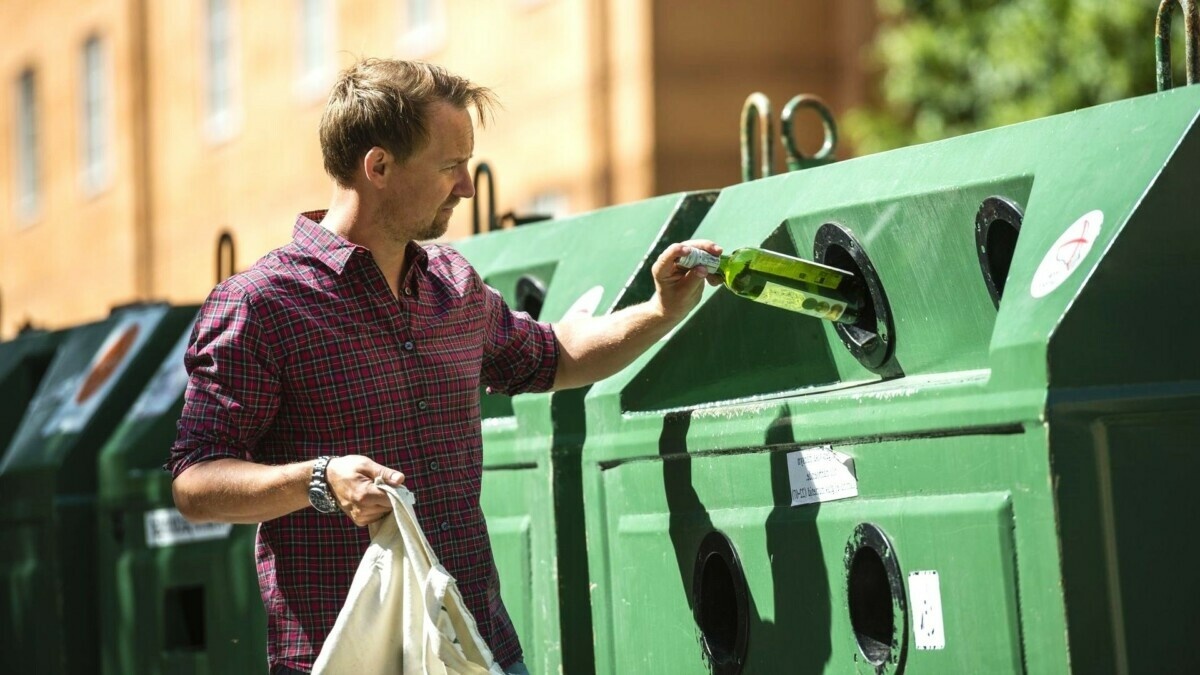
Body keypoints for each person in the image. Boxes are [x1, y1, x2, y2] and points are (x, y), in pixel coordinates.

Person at [167, 57, 720, 675]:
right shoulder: (261, 304)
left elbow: (555, 355)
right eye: (450, 166)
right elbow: (195, 483)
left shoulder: (453, 284)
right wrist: (318, 480)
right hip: (348, 658)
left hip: (480, 649)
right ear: (379, 167)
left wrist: (660, 310)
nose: (467, 187)